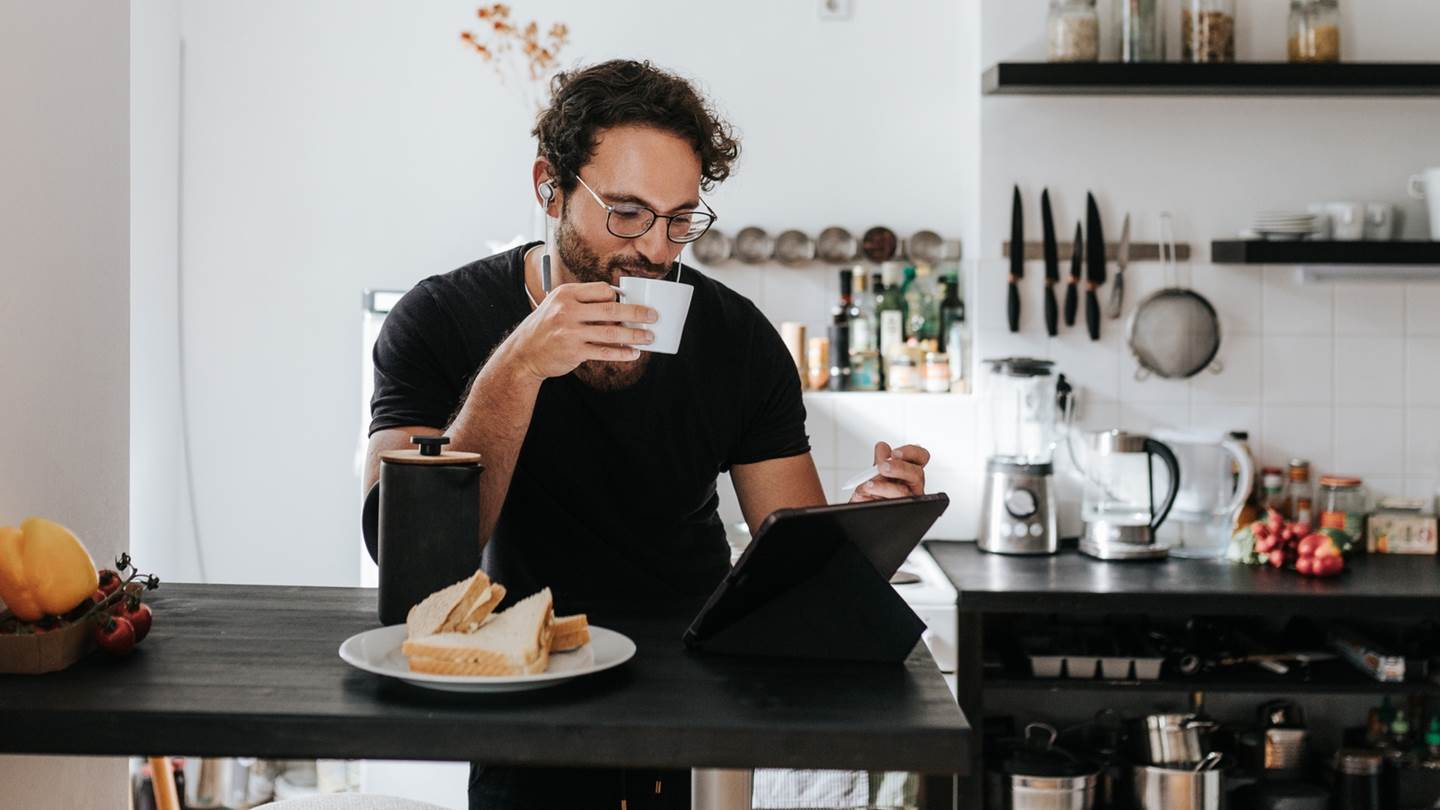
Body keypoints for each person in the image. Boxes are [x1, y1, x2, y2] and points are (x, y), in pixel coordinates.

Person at [365, 59, 932, 810]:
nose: (655, 252)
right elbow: (409, 562)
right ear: (550, 187)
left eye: (678, 220)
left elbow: (795, 565)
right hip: (526, 688)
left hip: (697, 696)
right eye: (626, 213)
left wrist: (863, 529)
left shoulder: (738, 339)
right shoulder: (438, 321)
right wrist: (519, 366)